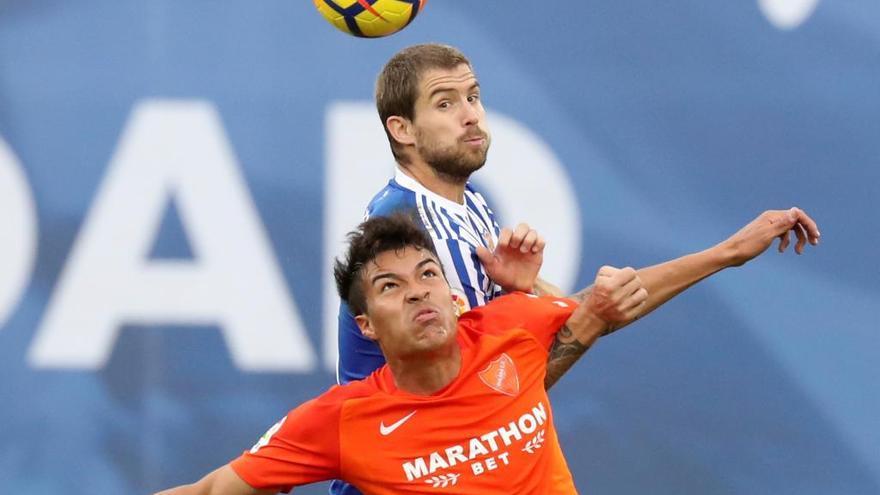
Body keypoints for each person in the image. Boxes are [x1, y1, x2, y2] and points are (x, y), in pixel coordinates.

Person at [156, 205, 820, 495]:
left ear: (452, 294)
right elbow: (215, 486)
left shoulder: (512, 322)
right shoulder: (338, 422)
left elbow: (611, 300)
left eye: (428, 275)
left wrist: (732, 250)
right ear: (365, 325)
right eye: (391, 286)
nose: (419, 292)